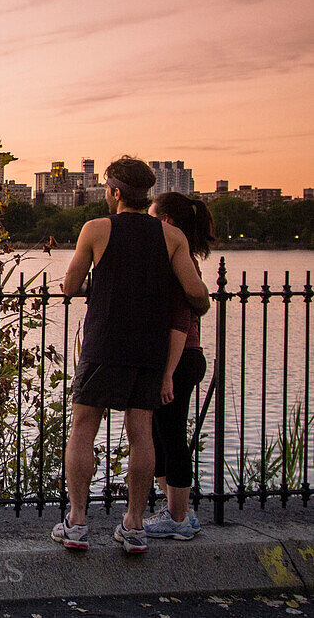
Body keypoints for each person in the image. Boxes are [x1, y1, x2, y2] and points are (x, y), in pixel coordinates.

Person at [52, 157, 209, 554]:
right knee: (141, 434)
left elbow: (69, 285)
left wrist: (98, 283)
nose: (106, 194)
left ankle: (77, 521)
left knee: (83, 427)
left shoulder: (96, 229)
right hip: (151, 348)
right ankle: (135, 525)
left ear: (117, 192)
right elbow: (197, 293)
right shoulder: (171, 237)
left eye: (107, 188)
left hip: (105, 343)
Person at [143, 192, 215, 540]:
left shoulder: (178, 257)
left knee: (171, 437)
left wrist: (167, 373)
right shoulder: (174, 256)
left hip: (180, 359)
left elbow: (181, 320)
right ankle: (175, 509)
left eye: (153, 216)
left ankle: (179, 517)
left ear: (167, 221)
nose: (149, 222)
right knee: (160, 435)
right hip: (179, 358)